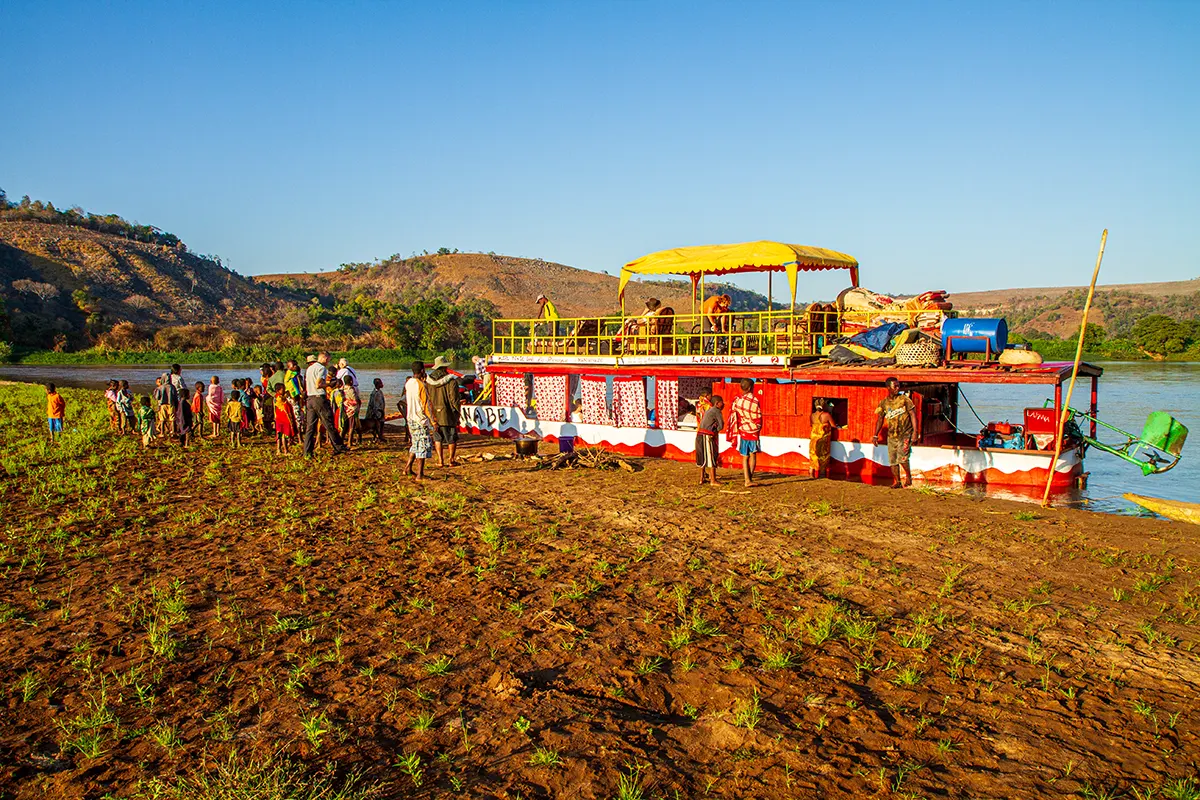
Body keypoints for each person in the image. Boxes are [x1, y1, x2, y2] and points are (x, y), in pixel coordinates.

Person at [873, 376, 919, 488]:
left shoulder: (905, 400)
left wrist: (915, 432)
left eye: (899, 386)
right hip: (891, 435)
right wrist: (875, 435)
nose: (897, 388)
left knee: (903, 458)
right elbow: (880, 419)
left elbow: (913, 415)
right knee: (893, 460)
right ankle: (897, 482)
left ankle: (908, 477)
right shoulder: (884, 403)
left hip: (905, 433)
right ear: (888, 388)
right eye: (895, 386)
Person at [303, 352, 347, 457]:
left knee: (310, 427)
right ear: (324, 358)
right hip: (319, 398)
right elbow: (318, 384)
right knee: (329, 423)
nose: (328, 362)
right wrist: (329, 384)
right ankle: (338, 446)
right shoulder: (321, 368)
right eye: (328, 360)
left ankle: (307, 451)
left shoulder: (309, 368)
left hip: (310, 398)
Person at [726, 378, 763, 487]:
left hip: (743, 430)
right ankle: (749, 479)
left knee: (745, 456)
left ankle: (747, 479)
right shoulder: (754, 400)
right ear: (751, 387)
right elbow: (758, 416)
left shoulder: (737, 400)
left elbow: (734, 415)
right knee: (753, 455)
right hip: (753, 431)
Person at [403, 361, 436, 481]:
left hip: (411, 418)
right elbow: (426, 405)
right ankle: (420, 474)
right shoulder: (421, 385)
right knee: (422, 446)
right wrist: (433, 422)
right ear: (422, 370)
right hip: (420, 419)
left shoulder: (409, 383)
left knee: (415, 443)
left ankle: (407, 468)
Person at [426, 356, 461, 467]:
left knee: (437, 437)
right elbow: (454, 399)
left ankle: (440, 461)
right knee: (451, 438)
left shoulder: (428, 381)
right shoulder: (451, 381)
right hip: (448, 414)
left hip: (434, 413)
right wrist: (458, 413)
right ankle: (451, 460)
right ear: (445, 367)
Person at [696, 394, 725, 485]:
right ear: (717, 403)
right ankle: (713, 480)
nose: (723, 404)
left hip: (700, 434)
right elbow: (721, 425)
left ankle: (702, 478)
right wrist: (716, 430)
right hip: (707, 435)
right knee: (711, 456)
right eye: (721, 403)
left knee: (702, 457)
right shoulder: (716, 411)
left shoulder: (709, 410)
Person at [809, 397, 837, 479]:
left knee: (813, 454)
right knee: (823, 456)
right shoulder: (826, 415)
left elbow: (812, 425)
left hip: (813, 439)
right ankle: (822, 474)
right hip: (823, 438)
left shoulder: (812, 415)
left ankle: (811, 473)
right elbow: (833, 425)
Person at [273, 383, 297, 454]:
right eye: (282, 389)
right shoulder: (280, 398)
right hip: (283, 418)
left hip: (278, 418)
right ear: (278, 390)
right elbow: (286, 406)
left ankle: (278, 450)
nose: (284, 390)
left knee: (279, 434)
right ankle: (285, 451)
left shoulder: (275, 398)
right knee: (284, 435)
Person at [153, 376, 178, 443]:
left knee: (162, 419)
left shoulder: (160, 387)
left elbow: (157, 397)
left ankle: (162, 433)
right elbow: (175, 397)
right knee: (172, 418)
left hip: (163, 405)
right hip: (171, 404)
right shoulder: (172, 387)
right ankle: (173, 433)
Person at [364, 378, 386, 442]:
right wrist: (376, 413)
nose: (382, 384)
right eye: (380, 383)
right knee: (378, 425)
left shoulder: (379, 392)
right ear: (377, 384)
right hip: (377, 412)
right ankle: (379, 437)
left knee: (381, 424)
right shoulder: (375, 393)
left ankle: (380, 436)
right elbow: (374, 405)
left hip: (380, 411)